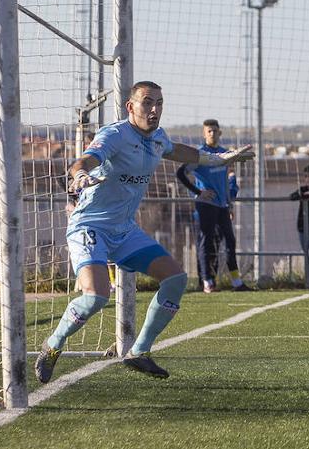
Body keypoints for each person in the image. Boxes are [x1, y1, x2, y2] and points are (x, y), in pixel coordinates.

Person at [35, 81, 254, 382]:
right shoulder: (115, 134)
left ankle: (139, 352)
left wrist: (220, 159)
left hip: (124, 230)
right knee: (97, 296)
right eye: (147, 102)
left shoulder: (158, 138)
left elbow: (183, 153)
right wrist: (81, 173)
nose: (154, 109)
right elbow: (84, 160)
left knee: (176, 279)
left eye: (159, 103)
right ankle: (52, 346)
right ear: (131, 107)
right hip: (90, 226)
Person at [175, 118, 248, 293]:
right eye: (209, 131)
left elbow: (227, 178)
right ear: (204, 133)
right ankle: (207, 282)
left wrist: (229, 203)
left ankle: (237, 282)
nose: (212, 134)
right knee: (206, 242)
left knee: (230, 241)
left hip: (222, 206)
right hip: (205, 205)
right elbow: (181, 173)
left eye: (215, 131)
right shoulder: (199, 154)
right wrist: (199, 192)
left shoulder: (223, 154)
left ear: (220, 132)